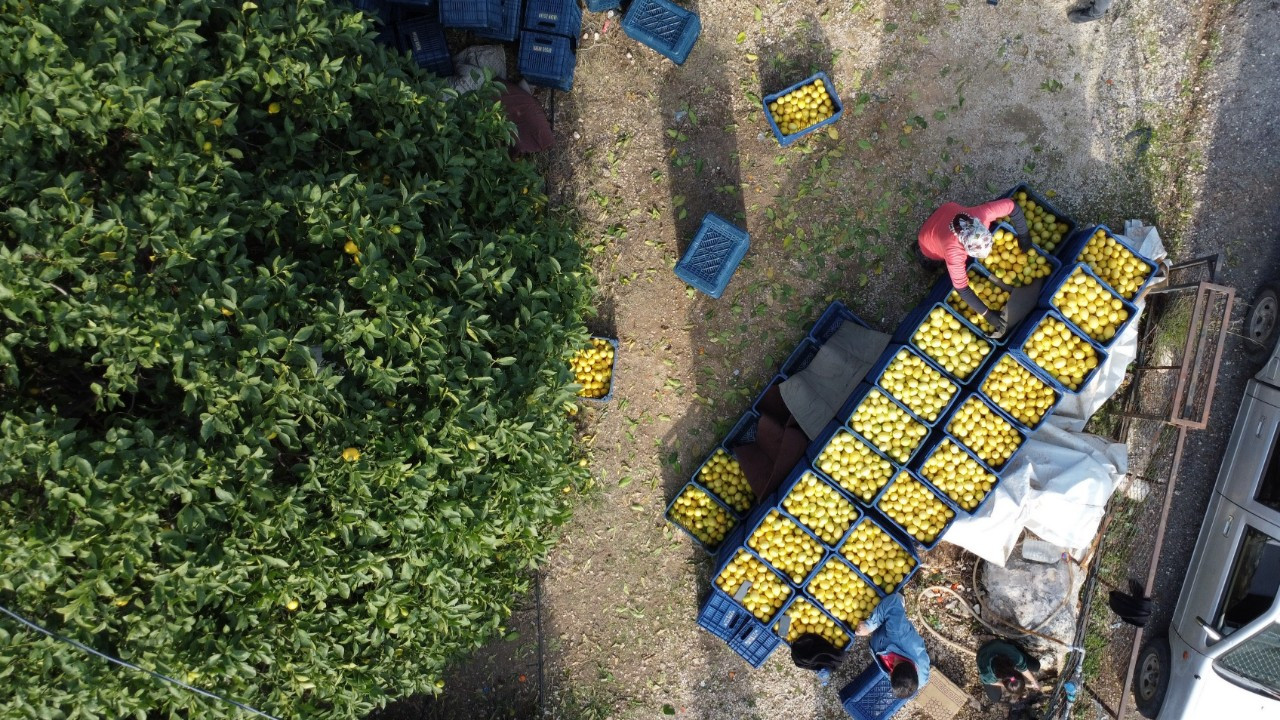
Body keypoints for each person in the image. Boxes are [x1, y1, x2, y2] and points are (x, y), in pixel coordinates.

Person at [916, 197, 1032, 337]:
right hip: (928, 240)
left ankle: (936, 220)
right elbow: (962, 288)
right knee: (931, 258)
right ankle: (922, 253)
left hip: (945, 212)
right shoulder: (953, 252)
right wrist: (987, 314)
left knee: (940, 222)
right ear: (965, 248)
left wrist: (1024, 234)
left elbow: (1012, 206)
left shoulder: (983, 213)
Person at [855, 593, 930, 699]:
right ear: (891, 673)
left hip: (882, 643)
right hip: (890, 633)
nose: (888, 675)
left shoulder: (921, 679)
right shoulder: (898, 634)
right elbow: (893, 602)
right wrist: (869, 625)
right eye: (890, 675)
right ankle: (900, 599)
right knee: (895, 602)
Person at [976, 639, 1042, 701]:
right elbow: (992, 682)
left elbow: (1023, 668)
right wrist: (1005, 685)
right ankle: (1015, 647)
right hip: (982, 653)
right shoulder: (987, 675)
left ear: (1018, 672)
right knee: (994, 698)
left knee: (1036, 666)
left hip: (999, 645)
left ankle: (1015, 646)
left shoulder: (1017, 658)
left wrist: (1033, 681)